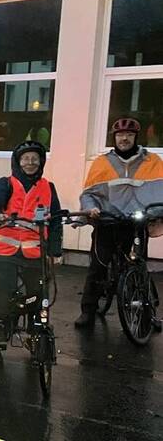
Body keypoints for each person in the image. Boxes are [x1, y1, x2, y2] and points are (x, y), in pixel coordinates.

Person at [75, 117, 163, 328]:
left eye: (129, 135)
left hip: (136, 224)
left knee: (139, 266)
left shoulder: (153, 161)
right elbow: (88, 194)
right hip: (108, 221)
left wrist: (157, 211)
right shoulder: (102, 162)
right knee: (98, 266)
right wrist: (91, 209)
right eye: (120, 135)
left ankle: (146, 313)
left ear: (136, 137)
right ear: (114, 137)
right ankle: (88, 310)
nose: (124, 138)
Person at [0, 142, 63, 347]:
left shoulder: (48, 187)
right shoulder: (6, 183)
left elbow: (55, 220)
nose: (30, 163)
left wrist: (55, 250)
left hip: (35, 250)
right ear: (18, 162)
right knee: (7, 286)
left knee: (38, 289)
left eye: (35, 159)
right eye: (25, 159)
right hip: (5, 249)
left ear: (41, 162)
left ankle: (35, 328)